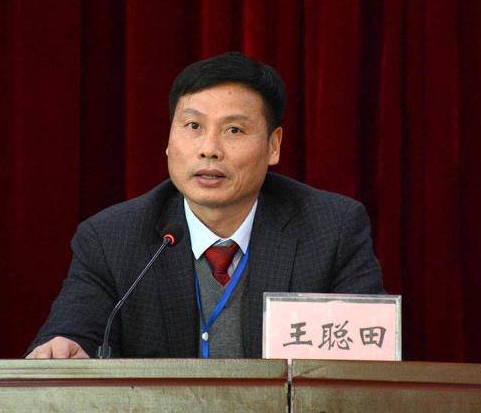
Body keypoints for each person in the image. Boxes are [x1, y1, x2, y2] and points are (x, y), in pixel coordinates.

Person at [26, 52, 384, 359]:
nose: (209, 149)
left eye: (234, 130)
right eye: (193, 125)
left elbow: (367, 360)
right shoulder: (111, 239)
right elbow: (74, 335)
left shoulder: (331, 229)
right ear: (169, 140)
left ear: (273, 145)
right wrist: (64, 350)